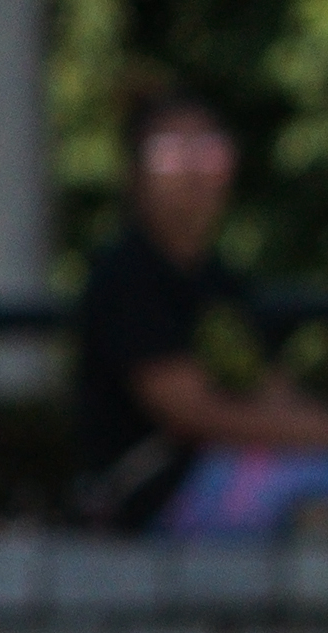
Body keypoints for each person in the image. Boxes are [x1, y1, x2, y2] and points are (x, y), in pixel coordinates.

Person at [76, 82, 328, 538]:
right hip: (156, 499)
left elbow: (268, 388)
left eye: (209, 148)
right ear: (136, 171)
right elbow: (189, 410)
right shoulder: (127, 275)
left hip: (237, 475)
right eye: (174, 151)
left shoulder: (219, 280)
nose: (194, 167)